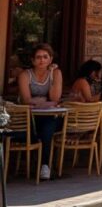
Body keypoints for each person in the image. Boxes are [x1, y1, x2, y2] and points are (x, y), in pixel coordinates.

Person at [16, 44, 63, 180]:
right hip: (29, 117)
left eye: (45, 57)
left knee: (48, 127)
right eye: (38, 57)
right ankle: (39, 163)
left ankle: (45, 165)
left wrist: (53, 77)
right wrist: (48, 102)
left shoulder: (56, 73)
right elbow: (26, 100)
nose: (41, 60)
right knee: (42, 129)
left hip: (50, 116)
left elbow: (55, 98)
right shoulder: (25, 75)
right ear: (32, 60)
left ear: (50, 59)